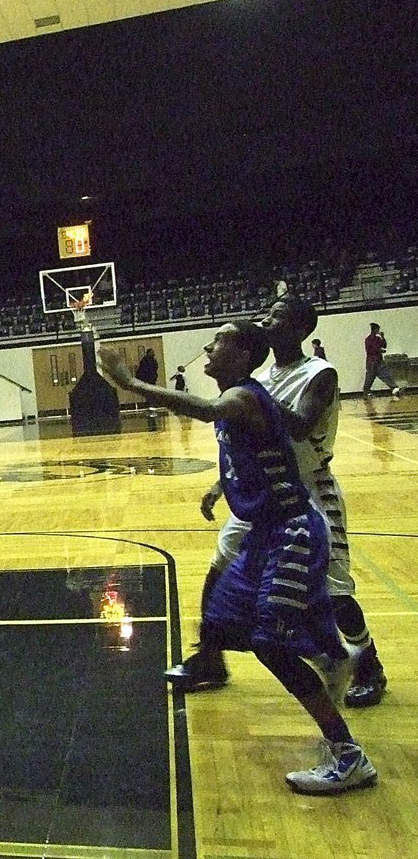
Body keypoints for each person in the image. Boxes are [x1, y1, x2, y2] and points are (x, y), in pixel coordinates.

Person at [99, 322, 376, 796]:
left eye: (220, 341)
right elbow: (249, 456)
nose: (208, 346)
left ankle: (349, 756)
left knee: (270, 643)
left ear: (246, 354)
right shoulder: (242, 401)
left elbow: (206, 410)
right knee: (222, 622)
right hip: (264, 534)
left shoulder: (243, 397)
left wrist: (131, 384)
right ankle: (330, 655)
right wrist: (219, 486)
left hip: (292, 532)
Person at [166, 298, 387, 706]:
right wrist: (221, 482)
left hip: (311, 490)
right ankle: (210, 657)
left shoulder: (319, 373)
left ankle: (368, 663)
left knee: (334, 590)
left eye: (277, 317)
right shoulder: (261, 376)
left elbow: (300, 425)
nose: (266, 321)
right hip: (264, 491)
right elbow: (253, 439)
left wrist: (254, 401)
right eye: (265, 315)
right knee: (220, 565)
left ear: (301, 329)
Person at [362, 323, 401, 399]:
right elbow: (369, 350)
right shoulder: (368, 339)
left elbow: (384, 345)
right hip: (372, 361)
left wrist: (383, 338)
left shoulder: (378, 339)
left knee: (384, 374)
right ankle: (366, 391)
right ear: (374, 329)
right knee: (370, 377)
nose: (378, 331)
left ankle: (393, 387)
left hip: (378, 360)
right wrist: (379, 350)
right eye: (377, 329)